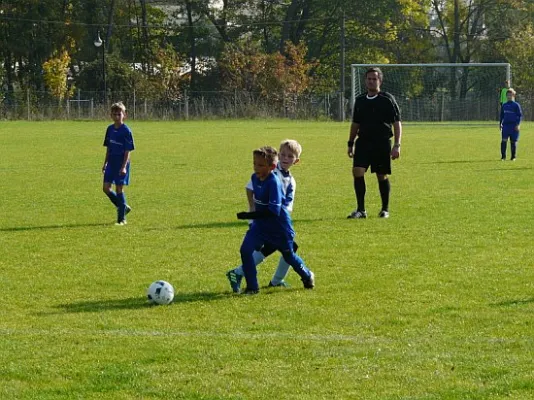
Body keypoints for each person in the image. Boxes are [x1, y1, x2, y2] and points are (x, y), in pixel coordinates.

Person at [236, 146, 315, 295]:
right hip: (260, 226)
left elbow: (273, 212)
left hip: (279, 228)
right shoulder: (255, 178)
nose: (256, 168)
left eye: (260, 165)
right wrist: (252, 218)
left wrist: (249, 216)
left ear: (272, 167)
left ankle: (307, 275)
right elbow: (252, 194)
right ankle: (252, 287)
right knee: (245, 250)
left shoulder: (274, 183)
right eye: (254, 164)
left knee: (288, 255)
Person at [347, 67, 402, 219]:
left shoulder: (387, 99)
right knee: (357, 171)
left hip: (382, 143)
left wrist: (397, 145)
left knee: (381, 175)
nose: (371, 81)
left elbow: (396, 123)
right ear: (365, 81)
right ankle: (361, 210)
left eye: (374, 79)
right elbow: (355, 123)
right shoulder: (360, 100)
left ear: (380, 81)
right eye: (369, 79)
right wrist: (350, 143)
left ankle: (385, 209)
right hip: (363, 142)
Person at [102, 101, 135, 225]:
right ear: (111, 115)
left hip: (121, 164)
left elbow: (128, 151)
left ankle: (122, 219)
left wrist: (124, 167)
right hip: (111, 163)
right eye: (114, 114)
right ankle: (123, 207)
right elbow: (108, 148)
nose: (116, 117)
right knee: (106, 188)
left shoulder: (126, 131)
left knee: (119, 189)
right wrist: (105, 163)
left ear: (124, 115)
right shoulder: (109, 129)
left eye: (119, 114)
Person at [500, 89, 522, 161]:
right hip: (506, 125)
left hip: (513, 125)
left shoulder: (516, 105)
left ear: (513, 95)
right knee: (504, 140)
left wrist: (517, 124)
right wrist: (500, 124)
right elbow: (501, 115)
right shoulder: (504, 105)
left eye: (511, 95)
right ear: (506, 96)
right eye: (508, 95)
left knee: (513, 141)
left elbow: (519, 116)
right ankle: (503, 157)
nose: (509, 96)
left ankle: (513, 157)